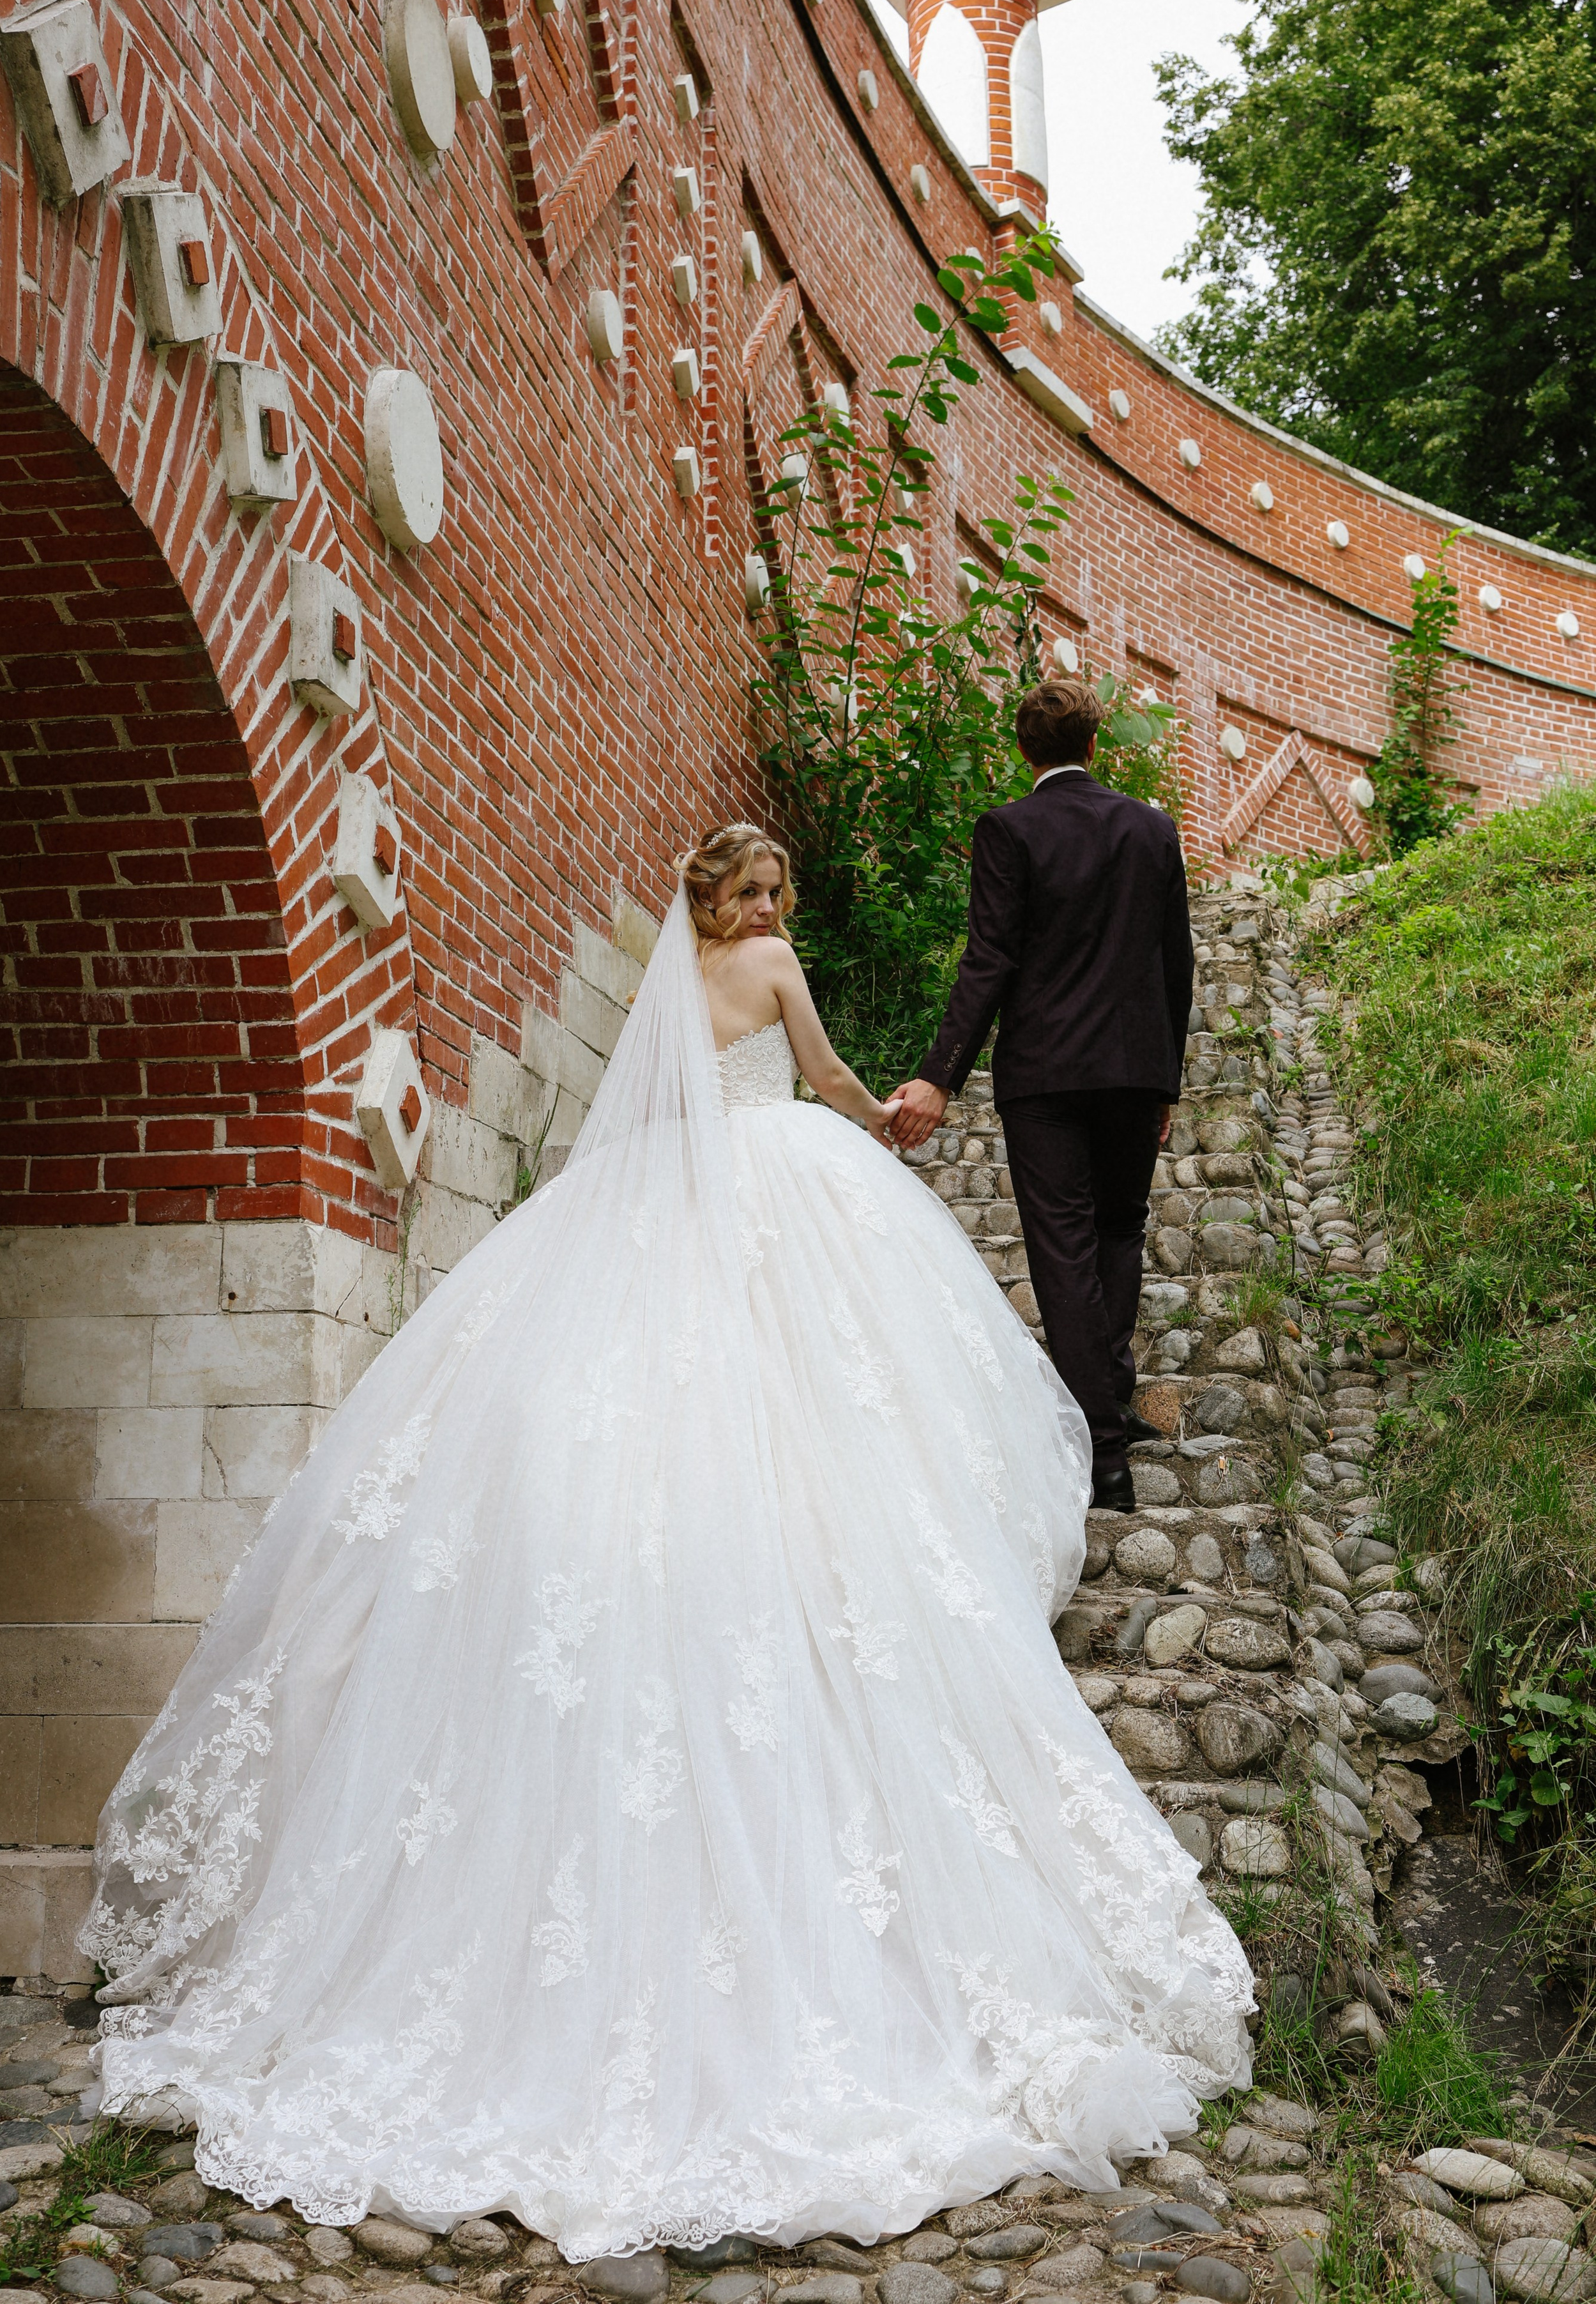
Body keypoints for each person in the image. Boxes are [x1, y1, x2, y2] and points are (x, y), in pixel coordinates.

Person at [82, 823, 1249, 2258]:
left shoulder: (663, 990)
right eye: (751, 893)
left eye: (769, 893)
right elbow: (817, 1078)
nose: (765, 909)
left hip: (668, 1207)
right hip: (785, 1200)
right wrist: (889, 1115)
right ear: (727, 907)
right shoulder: (767, 967)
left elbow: (644, 1127)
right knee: (822, 1416)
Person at [890, 680, 1194, 1517]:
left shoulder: (1009, 829)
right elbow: (1178, 964)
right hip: (1134, 1068)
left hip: (1047, 1076)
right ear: (1097, 746)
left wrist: (939, 1073)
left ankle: (1098, 1443)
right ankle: (1112, 1408)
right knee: (1119, 1229)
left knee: (1062, 1243)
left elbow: (989, 961)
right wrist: (1166, 1076)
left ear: (1025, 752)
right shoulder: (1152, 829)